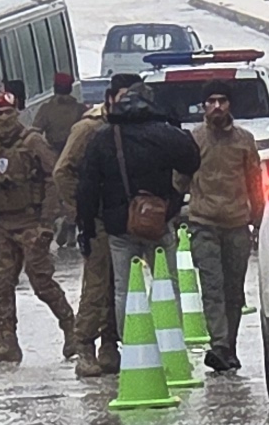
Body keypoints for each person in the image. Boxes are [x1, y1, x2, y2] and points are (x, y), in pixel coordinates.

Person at [69, 79, 198, 376]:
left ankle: (134, 349)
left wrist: (86, 228)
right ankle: (171, 346)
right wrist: (173, 202)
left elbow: (87, 187)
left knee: (123, 291)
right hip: (158, 221)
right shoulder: (164, 134)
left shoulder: (103, 138)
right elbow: (192, 158)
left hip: (118, 227)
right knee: (169, 286)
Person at [0, 84, 74, 364]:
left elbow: (54, 178)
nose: (4, 118)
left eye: (8, 112)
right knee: (1, 284)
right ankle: (6, 342)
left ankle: (71, 328)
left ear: (17, 113)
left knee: (41, 281)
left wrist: (47, 222)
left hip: (30, 222)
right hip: (1, 225)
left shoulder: (32, 142)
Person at [182, 88, 262, 376]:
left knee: (233, 291)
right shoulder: (193, 139)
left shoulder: (244, 140)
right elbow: (180, 179)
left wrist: (260, 217)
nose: (217, 106)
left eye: (222, 101)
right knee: (212, 287)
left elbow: (255, 180)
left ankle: (230, 346)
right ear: (204, 106)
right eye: (211, 101)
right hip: (203, 224)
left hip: (237, 225)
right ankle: (219, 346)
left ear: (229, 105)